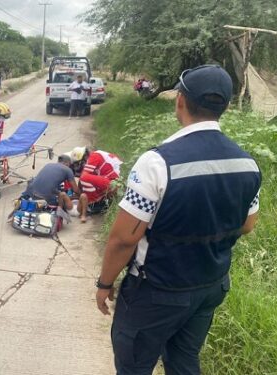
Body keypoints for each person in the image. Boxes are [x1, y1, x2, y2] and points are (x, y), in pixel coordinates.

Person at [95, 65, 261, 375]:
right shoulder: (247, 162)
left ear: (180, 100)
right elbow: (248, 224)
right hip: (209, 286)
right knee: (184, 361)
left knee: (134, 365)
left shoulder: (157, 163)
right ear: (224, 106)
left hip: (157, 290)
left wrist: (104, 283)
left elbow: (124, 238)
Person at [65, 147, 123, 222]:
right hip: (113, 180)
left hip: (113, 182)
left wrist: (83, 196)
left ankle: (92, 203)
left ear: (84, 157)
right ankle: (97, 200)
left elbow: (83, 177)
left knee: (84, 177)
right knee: (86, 178)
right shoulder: (96, 155)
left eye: (79, 163)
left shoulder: (94, 156)